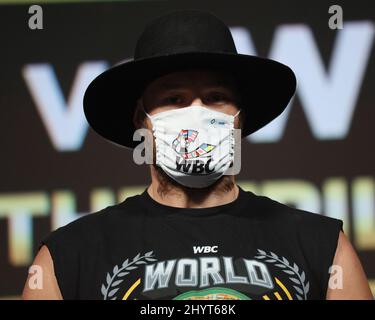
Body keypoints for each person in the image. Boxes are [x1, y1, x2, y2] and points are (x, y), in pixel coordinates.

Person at [22, 9, 372, 300]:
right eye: (173, 99)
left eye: (216, 96)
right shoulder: (71, 257)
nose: (196, 112)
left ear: (240, 117)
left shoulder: (322, 247)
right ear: (140, 120)